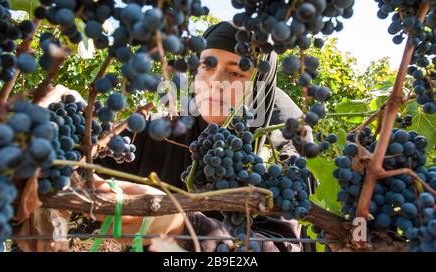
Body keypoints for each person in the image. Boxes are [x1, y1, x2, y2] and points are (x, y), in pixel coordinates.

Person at [42, 21, 314, 252]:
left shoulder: (281, 145)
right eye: (207, 66)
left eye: (235, 72)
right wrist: (71, 115)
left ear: (259, 83)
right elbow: (102, 147)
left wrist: (182, 226)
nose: (214, 83)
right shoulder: (173, 126)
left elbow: (279, 244)